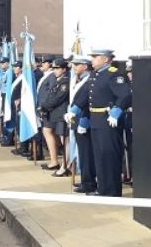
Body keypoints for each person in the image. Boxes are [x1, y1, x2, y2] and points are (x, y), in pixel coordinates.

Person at [81, 49, 130, 196]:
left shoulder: (114, 74)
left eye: (96, 57)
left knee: (109, 156)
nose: (92, 60)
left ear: (106, 60)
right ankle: (103, 188)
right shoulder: (96, 75)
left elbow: (125, 95)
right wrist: (80, 114)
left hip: (108, 121)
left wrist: (116, 113)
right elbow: (87, 97)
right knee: (100, 157)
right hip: (96, 120)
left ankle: (112, 191)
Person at [65, 56, 95, 193]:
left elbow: (88, 103)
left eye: (77, 65)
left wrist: (84, 121)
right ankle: (85, 180)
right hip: (76, 119)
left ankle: (88, 183)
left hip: (84, 121)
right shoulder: (79, 80)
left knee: (86, 153)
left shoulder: (89, 80)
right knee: (83, 153)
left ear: (85, 66)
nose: (74, 67)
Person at [40, 58, 71, 175]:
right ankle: (57, 163)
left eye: (57, 68)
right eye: (54, 68)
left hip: (61, 114)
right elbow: (51, 95)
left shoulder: (65, 81)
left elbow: (58, 98)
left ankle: (65, 166)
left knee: (65, 140)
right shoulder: (58, 80)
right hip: (54, 113)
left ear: (64, 69)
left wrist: (45, 106)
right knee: (51, 133)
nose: (55, 70)